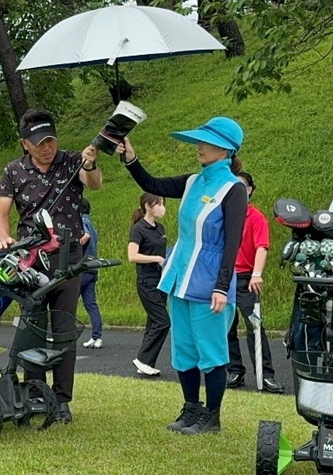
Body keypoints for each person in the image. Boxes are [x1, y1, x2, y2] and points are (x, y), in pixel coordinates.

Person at [117, 116, 246, 435]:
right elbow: (152, 185)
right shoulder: (192, 182)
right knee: (185, 348)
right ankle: (191, 409)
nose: (199, 147)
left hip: (210, 282)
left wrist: (221, 286)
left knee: (212, 351)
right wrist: (130, 158)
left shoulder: (234, 189)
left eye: (206, 142)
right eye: (199, 141)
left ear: (226, 150)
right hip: (180, 276)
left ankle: (211, 417)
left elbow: (233, 242)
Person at [0, 107, 103, 424]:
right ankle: (35, 394)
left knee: (65, 327)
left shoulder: (71, 161)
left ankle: (62, 399)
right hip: (30, 258)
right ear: (25, 143)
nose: (47, 148)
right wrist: (4, 238)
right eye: (39, 142)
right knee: (33, 328)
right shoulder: (13, 171)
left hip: (67, 258)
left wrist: (91, 163)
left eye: (51, 140)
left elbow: (93, 183)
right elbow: (1, 213)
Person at [226, 171, 284, 393]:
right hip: (225, 278)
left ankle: (266, 374)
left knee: (254, 327)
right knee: (226, 328)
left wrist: (256, 274)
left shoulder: (256, 217)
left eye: (240, 186)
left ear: (249, 190)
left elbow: (262, 246)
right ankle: (234, 371)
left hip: (246, 279)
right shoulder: (226, 215)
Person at [128, 193, 170, 377]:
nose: (162, 207)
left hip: (161, 281)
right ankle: (143, 358)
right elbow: (132, 256)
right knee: (163, 321)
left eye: (163, 203)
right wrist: (156, 259)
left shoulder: (160, 228)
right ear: (148, 206)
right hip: (147, 281)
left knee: (153, 322)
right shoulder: (139, 229)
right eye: (158, 204)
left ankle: (146, 363)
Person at [79, 198, 104, 349]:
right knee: (91, 304)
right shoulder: (91, 223)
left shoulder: (81, 221)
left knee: (65, 302)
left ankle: (63, 334)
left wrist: (75, 245)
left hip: (82, 268)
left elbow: (85, 236)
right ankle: (97, 336)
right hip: (92, 267)